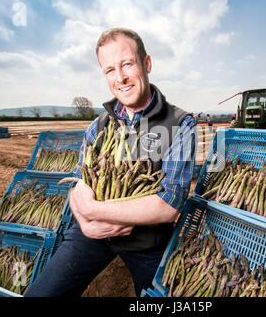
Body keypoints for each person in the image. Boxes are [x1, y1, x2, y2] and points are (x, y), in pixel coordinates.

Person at [25, 28, 196, 297]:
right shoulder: (98, 125)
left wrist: (97, 210)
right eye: (110, 70)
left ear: (147, 63)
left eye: (127, 64)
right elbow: (76, 185)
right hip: (91, 234)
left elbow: (170, 203)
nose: (121, 78)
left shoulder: (180, 123)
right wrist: (85, 221)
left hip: (147, 243)